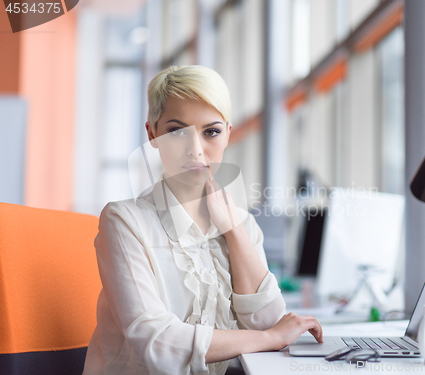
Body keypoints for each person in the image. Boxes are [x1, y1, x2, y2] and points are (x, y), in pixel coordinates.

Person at [82, 65, 323, 375]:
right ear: (152, 134)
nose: (196, 150)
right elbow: (157, 341)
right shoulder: (124, 221)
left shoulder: (243, 224)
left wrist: (233, 231)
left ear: (228, 135)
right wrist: (268, 338)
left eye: (211, 131)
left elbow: (270, 322)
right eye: (176, 131)